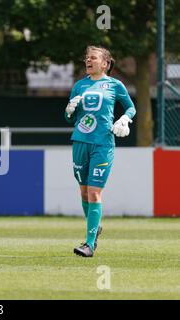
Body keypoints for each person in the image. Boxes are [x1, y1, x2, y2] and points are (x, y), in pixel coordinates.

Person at [65, 45, 136, 257]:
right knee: (84, 191)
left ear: (105, 63)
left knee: (95, 192)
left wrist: (124, 118)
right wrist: (69, 110)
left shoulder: (115, 85)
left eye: (93, 58)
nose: (88, 61)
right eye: (87, 58)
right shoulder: (79, 86)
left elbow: (131, 107)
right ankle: (95, 228)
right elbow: (69, 118)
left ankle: (89, 244)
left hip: (103, 144)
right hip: (80, 141)